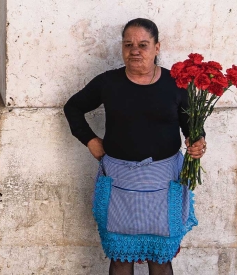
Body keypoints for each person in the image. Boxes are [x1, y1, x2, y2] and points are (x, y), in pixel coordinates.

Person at [64, 18, 206, 275]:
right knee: (120, 257)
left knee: (161, 258)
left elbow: (190, 124)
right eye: (128, 44)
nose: (135, 50)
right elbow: (72, 107)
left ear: (157, 47)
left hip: (163, 182)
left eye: (143, 44)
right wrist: (90, 140)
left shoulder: (175, 84)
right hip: (120, 182)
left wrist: (197, 141)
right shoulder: (108, 83)